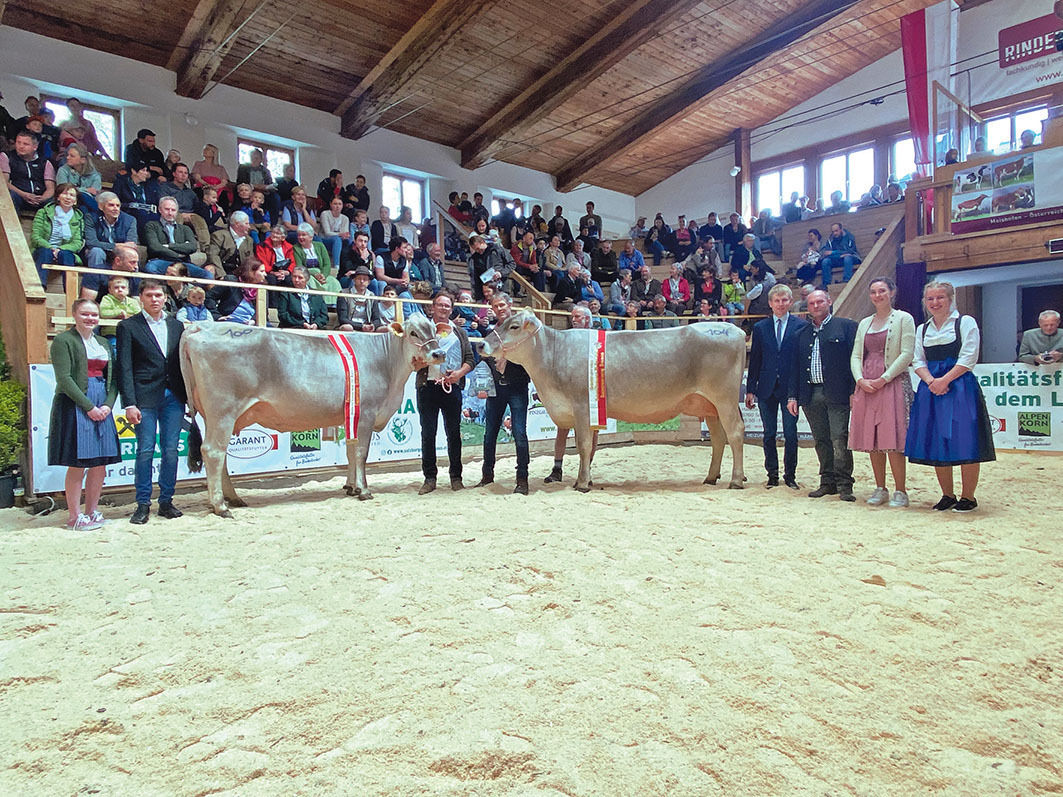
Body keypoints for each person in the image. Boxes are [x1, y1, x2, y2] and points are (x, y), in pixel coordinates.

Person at [905, 281, 995, 512]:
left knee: (966, 439)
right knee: (938, 440)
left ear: (950, 298)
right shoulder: (922, 329)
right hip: (931, 388)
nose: (935, 303)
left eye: (940, 298)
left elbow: (969, 357)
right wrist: (930, 381)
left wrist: (944, 380)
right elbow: (917, 360)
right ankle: (947, 494)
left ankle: (968, 497)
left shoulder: (965, 323)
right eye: (930, 299)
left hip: (960, 387)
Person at [116, 279, 187, 524]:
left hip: (174, 396)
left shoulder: (177, 326)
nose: (154, 299)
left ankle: (166, 501)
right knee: (145, 450)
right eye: (149, 295)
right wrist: (129, 403)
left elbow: (183, 365)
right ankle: (143, 503)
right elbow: (123, 367)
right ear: (141, 298)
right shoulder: (128, 326)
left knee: (171, 451)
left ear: (165, 298)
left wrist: (190, 397)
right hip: (143, 396)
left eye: (158, 295)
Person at [49, 299, 121, 531]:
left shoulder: (103, 343)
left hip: (102, 403)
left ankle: (92, 510)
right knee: (79, 462)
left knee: (100, 463)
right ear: (74, 315)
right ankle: (74, 515)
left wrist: (109, 404)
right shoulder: (63, 341)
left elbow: (113, 379)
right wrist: (89, 406)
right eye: (85, 314)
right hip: (75, 403)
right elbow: (65, 378)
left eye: (93, 314)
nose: (90, 318)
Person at [849, 277, 916, 507]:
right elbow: (857, 355)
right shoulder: (864, 322)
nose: (878, 295)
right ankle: (880, 487)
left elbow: (907, 354)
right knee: (872, 437)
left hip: (892, 382)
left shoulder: (904, 319)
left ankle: (901, 490)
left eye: (882, 291)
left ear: (892, 292)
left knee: (892, 436)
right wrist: (860, 379)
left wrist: (884, 378)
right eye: (874, 292)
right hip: (867, 383)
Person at [786, 290, 859, 501]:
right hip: (811, 394)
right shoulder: (801, 333)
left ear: (829, 301)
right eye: (812, 303)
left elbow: (855, 361)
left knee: (839, 437)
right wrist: (793, 396)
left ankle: (845, 484)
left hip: (838, 392)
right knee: (821, 440)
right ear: (807, 307)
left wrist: (854, 391)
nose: (816, 306)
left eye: (820, 301)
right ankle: (827, 482)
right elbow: (795, 368)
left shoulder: (846, 327)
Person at [745, 284, 808, 489]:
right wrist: (750, 389)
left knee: (791, 434)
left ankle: (790, 476)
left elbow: (801, 360)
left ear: (790, 302)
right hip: (766, 388)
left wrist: (798, 389)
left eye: (784, 300)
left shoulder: (800, 326)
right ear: (770, 303)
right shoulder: (760, 328)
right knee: (769, 433)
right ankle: (772, 475)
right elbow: (755, 360)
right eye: (776, 301)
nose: (780, 304)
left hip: (790, 390)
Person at [416, 292, 474, 494]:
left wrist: (459, 373)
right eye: (439, 305)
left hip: (451, 387)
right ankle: (429, 478)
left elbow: (470, 359)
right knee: (428, 434)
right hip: (427, 386)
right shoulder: (424, 330)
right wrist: (421, 362)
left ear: (451, 309)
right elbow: (414, 359)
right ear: (433, 307)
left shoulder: (459, 332)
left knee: (453, 434)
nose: (443, 308)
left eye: (446, 306)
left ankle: (456, 477)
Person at [475, 292, 532, 494]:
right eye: (495, 306)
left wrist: (507, 357)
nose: (499, 309)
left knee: (519, 432)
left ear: (510, 304)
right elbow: (483, 355)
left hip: (517, 386)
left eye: (502, 305)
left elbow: (528, 358)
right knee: (489, 433)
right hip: (496, 387)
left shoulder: (521, 331)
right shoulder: (492, 332)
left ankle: (522, 479)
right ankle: (487, 475)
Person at [143, 196, 212, 279]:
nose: (170, 213)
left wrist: (169, 246)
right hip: (161, 261)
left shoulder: (185, 229)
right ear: (160, 210)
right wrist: (178, 254)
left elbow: (192, 247)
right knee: (150, 268)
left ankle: (186, 289)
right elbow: (155, 247)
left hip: (183, 263)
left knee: (207, 275)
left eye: (173, 210)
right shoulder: (151, 225)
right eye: (167, 209)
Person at [30, 182, 84, 286]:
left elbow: (77, 243)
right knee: (46, 252)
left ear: (75, 201)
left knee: (67, 255)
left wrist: (59, 250)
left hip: (64, 251)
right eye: (64, 194)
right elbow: (35, 237)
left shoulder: (78, 218)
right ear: (58, 197)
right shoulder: (43, 212)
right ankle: (40, 288)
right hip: (44, 249)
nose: (68, 197)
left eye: (72, 195)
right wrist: (51, 248)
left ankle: (69, 290)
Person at [2, 129, 56, 211]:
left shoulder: (45, 162)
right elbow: (4, 182)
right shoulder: (7, 157)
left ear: (35, 147)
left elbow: (50, 188)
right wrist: (24, 195)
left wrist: (41, 198)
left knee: (53, 201)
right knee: (10, 195)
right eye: (18, 142)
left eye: (25, 144)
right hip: (18, 195)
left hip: (39, 198)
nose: (21, 146)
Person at [55, 143, 101, 212]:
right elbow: (62, 189)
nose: (67, 157)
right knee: (83, 198)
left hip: (87, 203)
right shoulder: (63, 170)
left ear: (83, 160)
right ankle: (98, 212)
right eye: (68, 155)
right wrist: (86, 190)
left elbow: (94, 192)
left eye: (72, 156)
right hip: (67, 200)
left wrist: (80, 190)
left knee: (84, 207)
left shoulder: (94, 175)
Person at [207, 210, 255, 274]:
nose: (249, 227)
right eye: (246, 224)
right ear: (237, 224)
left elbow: (250, 261)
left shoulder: (249, 240)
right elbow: (213, 256)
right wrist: (221, 274)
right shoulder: (219, 236)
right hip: (223, 270)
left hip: (239, 273)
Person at [319, 196, 351, 266]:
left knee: (347, 241)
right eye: (335, 204)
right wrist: (340, 234)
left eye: (340, 204)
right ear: (330, 204)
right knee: (337, 239)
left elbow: (345, 235)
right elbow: (327, 233)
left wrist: (342, 235)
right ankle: (336, 265)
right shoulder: (325, 214)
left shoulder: (345, 218)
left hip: (338, 240)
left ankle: (346, 266)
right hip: (325, 239)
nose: (337, 206)